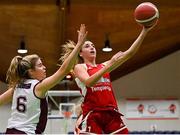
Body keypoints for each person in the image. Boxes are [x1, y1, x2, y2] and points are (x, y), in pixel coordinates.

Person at [60, 22, 157, 134]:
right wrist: (110, 64)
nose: (92, 47)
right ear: (80, 53)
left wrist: (144, 31)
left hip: (111, 113)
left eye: (93, 46)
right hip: (93, 114)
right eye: (87, 46)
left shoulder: (104, 65)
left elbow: (129, 53)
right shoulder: (80, 67)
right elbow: (89, 82)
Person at [0, 24, 87, 134]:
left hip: (10, 131)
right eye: (40, 65)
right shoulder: (38, 87)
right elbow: (63, 70)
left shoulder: (17, 87)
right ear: (31, 71)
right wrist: (79, 45)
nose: (44, 67)